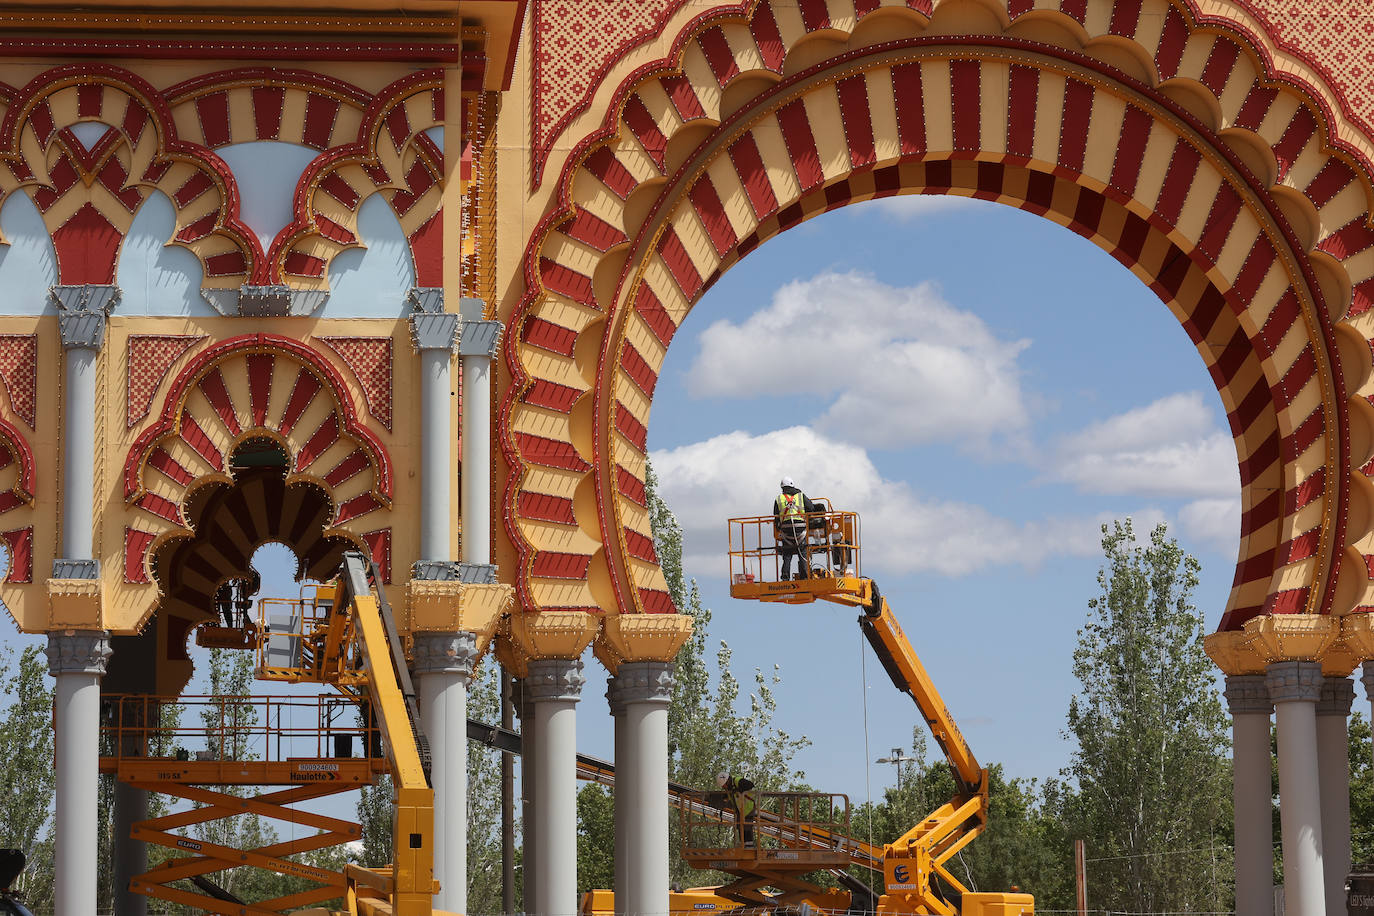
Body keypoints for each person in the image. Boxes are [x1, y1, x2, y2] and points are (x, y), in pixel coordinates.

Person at [773, 476, 820, 580]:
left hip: (786, 529)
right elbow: (811, 508)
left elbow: (776, 516)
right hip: (800, 528)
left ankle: (785, 577)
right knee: (802, 551)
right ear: (793, 485)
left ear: (782, 487)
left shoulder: (779, 499)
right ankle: (804, 576)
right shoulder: (800, 496)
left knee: (787, 554)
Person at [716, 771, 756, 847]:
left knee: (746, 827)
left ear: (727, 781)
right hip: (741, 810)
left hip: (748, 808)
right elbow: (730, 797)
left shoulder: (738, 781)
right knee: (740, 826)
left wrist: (739, 790)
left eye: (724, 785)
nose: (723, 787)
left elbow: (750, 785)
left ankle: (748, 846)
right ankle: (744, 845)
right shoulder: (730, 788)